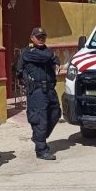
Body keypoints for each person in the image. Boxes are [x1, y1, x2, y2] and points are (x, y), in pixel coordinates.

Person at [16, 27, 62, 160]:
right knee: (40, 119)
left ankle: (38, 138)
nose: (41, 39)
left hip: (50, 89)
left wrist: (56, 61)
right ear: (32, 38)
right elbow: (45, 57)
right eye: (38, 37)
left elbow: (55, 59)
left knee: (56, 113)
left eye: (43, 37)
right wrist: (52, 56)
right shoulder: (28, 52)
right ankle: (41, 150)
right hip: (37, 91)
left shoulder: (47, 51)